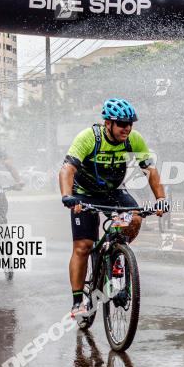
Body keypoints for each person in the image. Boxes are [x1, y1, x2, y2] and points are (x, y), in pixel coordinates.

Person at [59, 97, 168, 319]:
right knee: (83, 246)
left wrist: (161, 198)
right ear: (108, 123)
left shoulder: (133, 140)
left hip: (113, 192)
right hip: (83, 194)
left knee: (135, 218)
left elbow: (151, 171)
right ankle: (78, 301)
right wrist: (67, 196)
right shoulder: (89, 138)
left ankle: (117, 251)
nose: (126, 128)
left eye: (130, 124)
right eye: (121, 124)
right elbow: (67, 169)